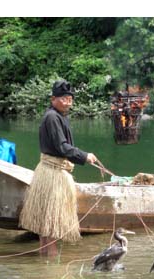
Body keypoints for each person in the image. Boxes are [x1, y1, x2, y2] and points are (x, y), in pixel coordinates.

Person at [19, 79, 98, 256]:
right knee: (52, 223)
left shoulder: (58, 116)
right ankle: (52, 267)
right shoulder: (52, 117)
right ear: (53, 99)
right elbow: (62, 147)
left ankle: (45, 258)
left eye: (70, 98)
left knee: (46, 223)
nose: (68, 101)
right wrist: (84, 156)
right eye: (63, 98)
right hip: (52, 173)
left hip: (50, 172)